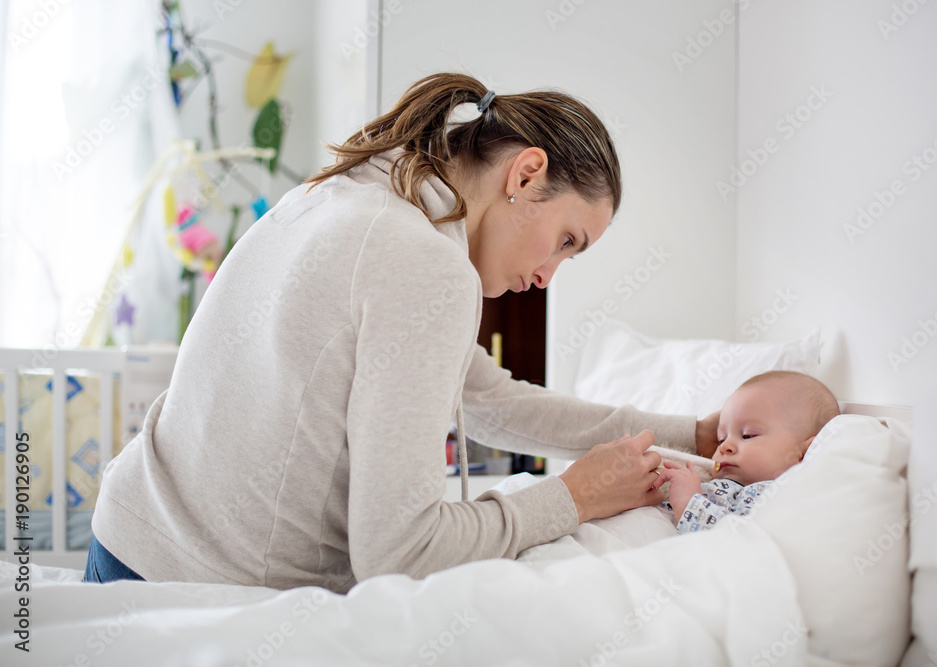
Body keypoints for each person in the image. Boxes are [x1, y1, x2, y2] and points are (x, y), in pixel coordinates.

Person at [86, 72, 720, 591]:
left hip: (130, 539)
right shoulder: (424, 264)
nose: (548, 275)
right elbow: (400, 552)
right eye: (565, 242)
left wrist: (692, 435)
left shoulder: (357, 188)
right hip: (192, 590)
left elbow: (490, 399)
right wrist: (573, 498)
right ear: (526, 175)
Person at [657, 370, 840, 533]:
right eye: (722, 438)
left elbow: (736, 542)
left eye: (747, 435)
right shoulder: (716, 482)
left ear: (807, 453)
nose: (724, 446)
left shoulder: (774, 496)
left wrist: (688, 502)